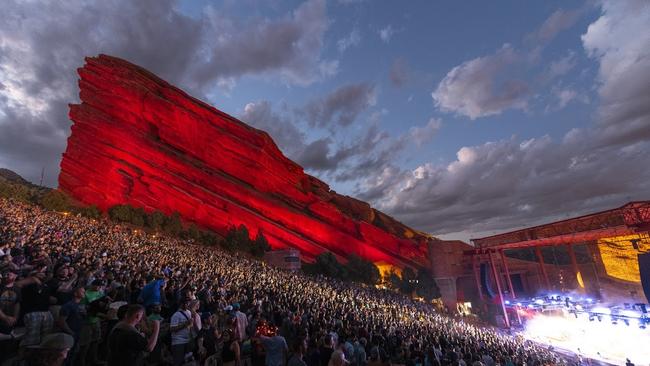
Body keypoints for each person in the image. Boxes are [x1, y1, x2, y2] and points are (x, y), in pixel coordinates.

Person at [170, 300, 195, 366]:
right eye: (186, 303)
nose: (187, 304)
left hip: (188, 341)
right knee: (178, 362)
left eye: (188, 303)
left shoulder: (189, 312)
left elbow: (190, 325)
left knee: (187, 362)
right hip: (178, 342)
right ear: (181, 304)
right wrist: (185, 324)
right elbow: (172, 329)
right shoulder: (176, 315)